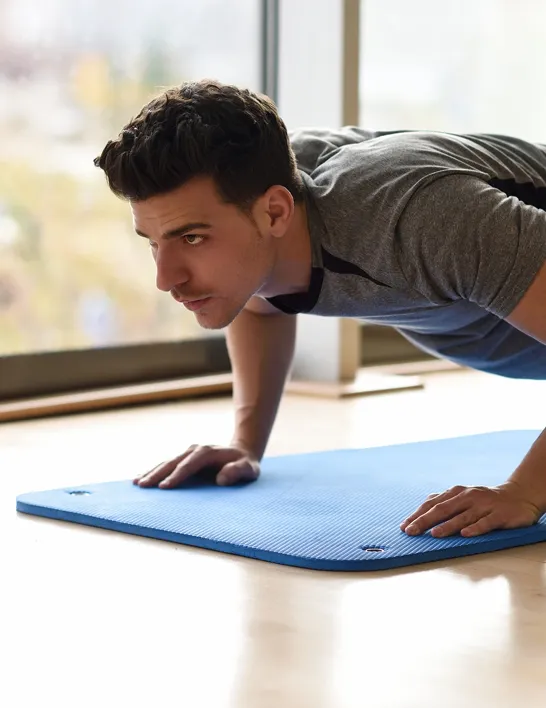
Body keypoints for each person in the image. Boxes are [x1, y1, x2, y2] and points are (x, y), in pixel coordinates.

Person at [94, 79, 546, 539]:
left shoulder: (421, 217)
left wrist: (524, 492)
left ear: (275, 213)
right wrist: (246, 444)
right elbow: (258, 303)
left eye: (191, 238)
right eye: (153, 243)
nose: (165, 278)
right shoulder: (265, 198)